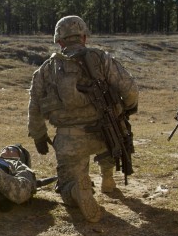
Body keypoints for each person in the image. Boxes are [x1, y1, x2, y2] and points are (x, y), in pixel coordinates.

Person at [27, 15, 139, 223]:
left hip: (69, 140)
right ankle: (108, 179)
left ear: (59, 41)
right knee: (112, 136)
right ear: (84, 37)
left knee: (67, 186)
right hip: (105, 133)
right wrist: (127, 108)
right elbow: (130, 89)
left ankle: (77, 189)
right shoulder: (101, 58)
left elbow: (35, 107)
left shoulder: (45, 70)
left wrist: (39, 135)